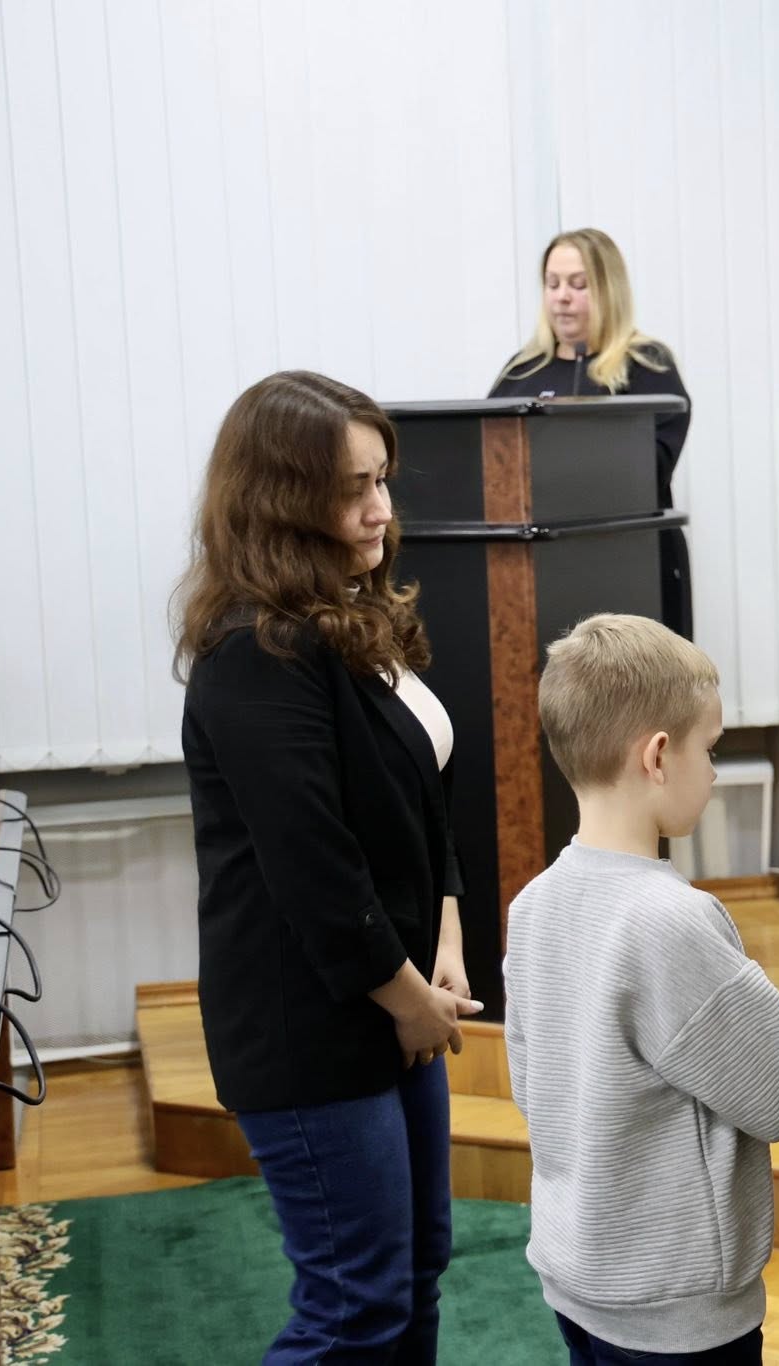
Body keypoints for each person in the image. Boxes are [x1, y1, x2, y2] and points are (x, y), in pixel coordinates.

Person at [176, 371, 476, 1364]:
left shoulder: (350, 619)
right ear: (281, 502)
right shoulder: (252, 651)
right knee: (353, 1308)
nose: (381, 508)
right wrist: (404, 997)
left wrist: (444, 944)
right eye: (353, 489)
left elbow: (418, 806)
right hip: (312, 1021)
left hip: (393, 995)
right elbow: (312, 863)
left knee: (414, 1271)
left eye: (382, 479)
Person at [503, 612, 779, 1364]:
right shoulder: (671, 920)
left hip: (580, 1279)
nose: (712, 768)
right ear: (659, 756)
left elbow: (531, 1085)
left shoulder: (534, 905)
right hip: (677, 1310)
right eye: (712, 748)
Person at [490, 228, 694, 636]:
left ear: (608, 289)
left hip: (626, 563)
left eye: (578, 284)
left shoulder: (647, 366)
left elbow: (649, 468)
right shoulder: (521, 371)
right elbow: (489, 465)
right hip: (536, 570)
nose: (562, 296)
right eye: (553, 284)